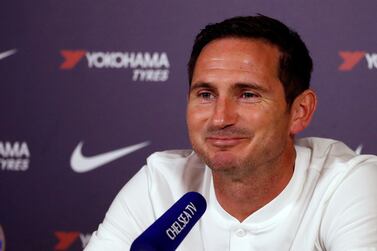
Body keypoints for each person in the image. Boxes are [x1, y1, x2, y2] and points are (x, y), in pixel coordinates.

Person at [85, 15, 377, 251]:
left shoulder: (348, 183)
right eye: (205, 94)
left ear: (300, 111)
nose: (220, 117)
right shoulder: (159, 183)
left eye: (248, 94)